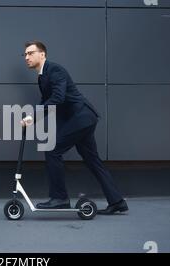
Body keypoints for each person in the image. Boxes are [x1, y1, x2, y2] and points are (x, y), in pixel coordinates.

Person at [21, 40, 128, 215]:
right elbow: (47, 101)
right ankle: (117, 201)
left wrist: (33, 115)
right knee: (93, 161)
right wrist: (33, 118)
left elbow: (58, 97)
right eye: (25, 54)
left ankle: (60, 199)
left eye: (30, 53)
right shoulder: (42, 76)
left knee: (52, 150)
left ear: (42, 54)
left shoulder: (55, 70)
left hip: (81, 117)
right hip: (80, 120)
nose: (27, 57)